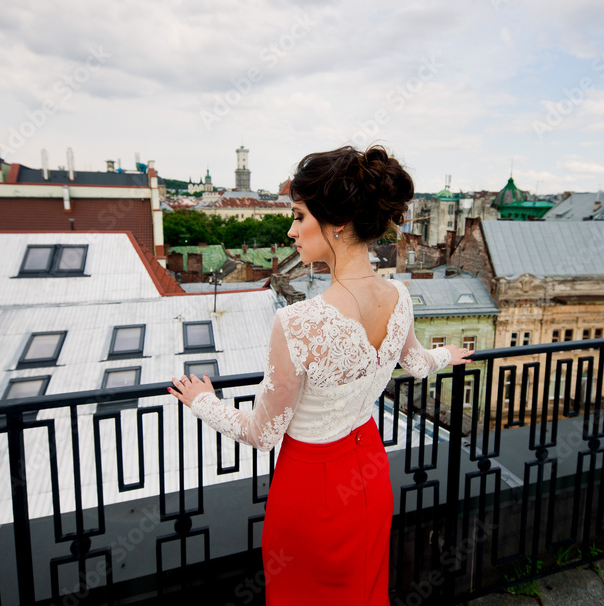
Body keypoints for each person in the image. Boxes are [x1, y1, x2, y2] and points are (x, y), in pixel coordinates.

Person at [169, 145, 473, 605]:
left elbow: (262, 433)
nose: (291, 231)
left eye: (297, 216)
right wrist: (447, 354)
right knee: (364, 590)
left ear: (337, 224)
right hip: (369, 472)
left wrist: (201, 401)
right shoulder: (400, 296)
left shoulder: (299, 322)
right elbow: (415, 364)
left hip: (312, 488)